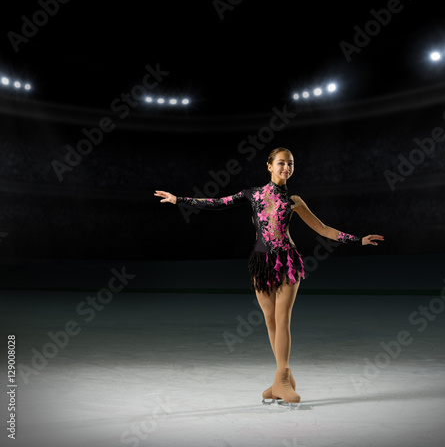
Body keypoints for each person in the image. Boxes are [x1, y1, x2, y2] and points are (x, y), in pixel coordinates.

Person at [154, 147, 384, 407]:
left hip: (287, 262)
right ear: (269, 166)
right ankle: (281, 380)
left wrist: (358, 240)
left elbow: (323, 229)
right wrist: (178, 200)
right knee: (270, 322)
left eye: (291, 164)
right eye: (281, 163)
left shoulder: (295, 200)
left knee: (283, 319)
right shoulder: (253, 194)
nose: (286, 167)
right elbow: (217, 203)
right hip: (261, 263)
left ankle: (282, 381)